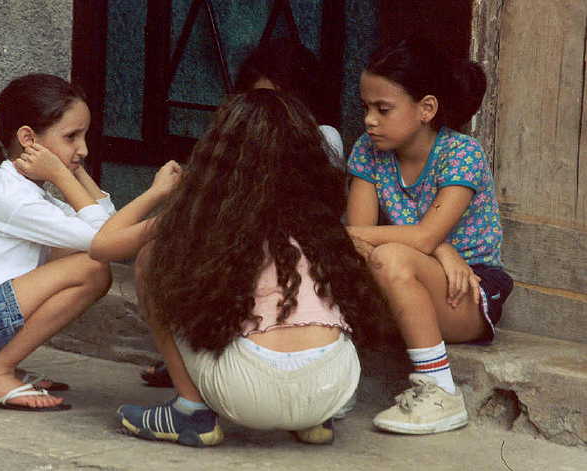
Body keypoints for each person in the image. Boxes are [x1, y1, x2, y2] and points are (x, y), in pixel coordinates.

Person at [90, 89, 389, 447]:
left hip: (248, 391)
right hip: (333, 387)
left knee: (150, 257)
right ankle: (313, 422)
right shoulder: (320, 221)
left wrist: (157, 192)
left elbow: (102, 246)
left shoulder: (201, 217)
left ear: (221, 151)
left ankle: (190, 412)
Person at [0, 73, 177, 412]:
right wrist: (154, 193)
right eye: (71, 137)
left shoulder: (22, 192)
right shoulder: (13, 198)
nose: (83, 148)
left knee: (83, 256)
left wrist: (75, 168)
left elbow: (107, 226)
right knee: (90, 267)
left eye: (85, 136)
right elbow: (104, 241)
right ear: (28, 138)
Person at [140, 37, 347, 388]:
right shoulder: (238, 141)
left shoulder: (320, 137)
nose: (266, 117)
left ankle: (192, 388)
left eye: (278, 102)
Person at [346, 37, 513, 434]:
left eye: (383, 109)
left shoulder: (461, 153)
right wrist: (440, 248)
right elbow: (354, 239)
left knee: (388, 256)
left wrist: (432, 245)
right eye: (366, 108)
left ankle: (439, 391)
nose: (369, 120)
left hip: (467, 289)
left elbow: (415, 237)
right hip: (400, 277)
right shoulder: (368, 152)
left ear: (427, 109)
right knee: (354, 259)